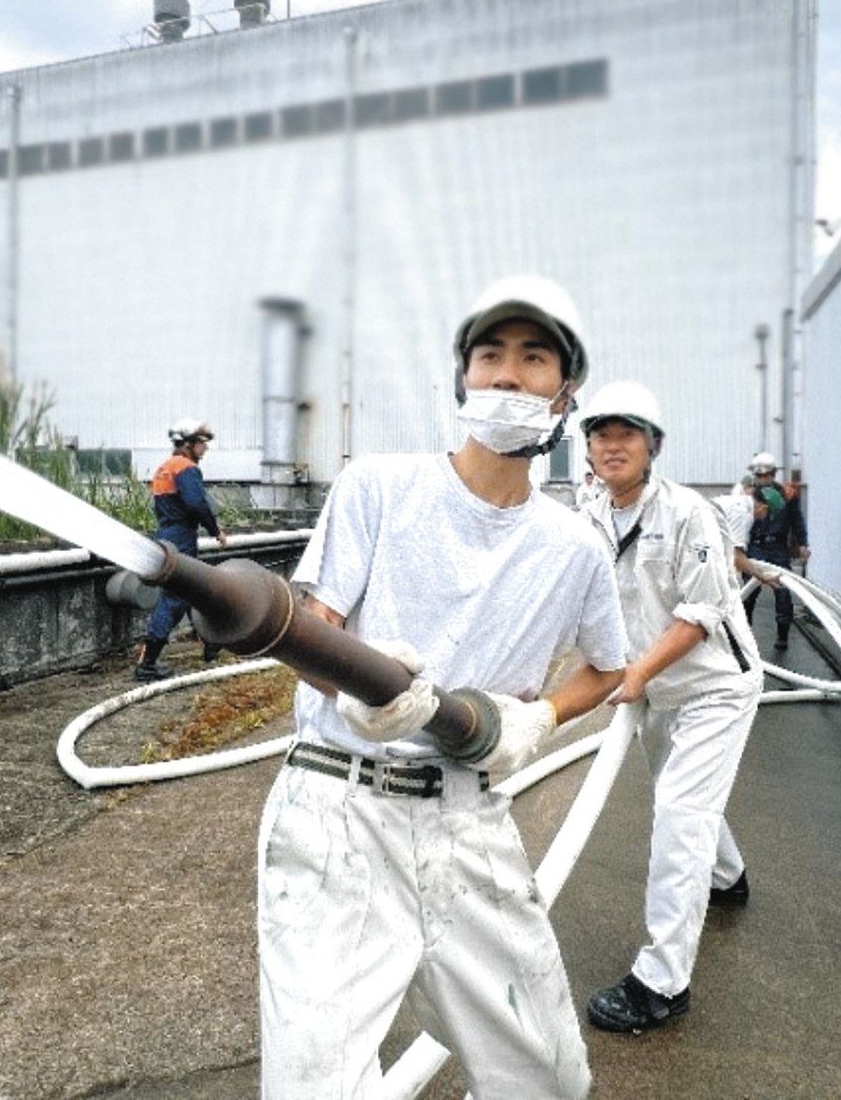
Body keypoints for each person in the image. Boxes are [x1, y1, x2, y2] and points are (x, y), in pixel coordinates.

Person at [258, 276, 629, 1099]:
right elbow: (309, 625)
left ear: (566, 393)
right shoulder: (379, 488)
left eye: (533, 358)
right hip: (338, 816)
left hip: (469, 824)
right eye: (488, 355)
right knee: (314, 1088)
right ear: (463, 378)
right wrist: (354, 685)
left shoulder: (574, 548)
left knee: (549, 1077)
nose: (506, 375)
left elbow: (607, 668)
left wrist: (538, 717)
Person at [578, 381, 762, 1035]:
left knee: (681, 814)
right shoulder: (591, 510)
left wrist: (636, 672)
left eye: (626, 433)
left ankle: (661, 983)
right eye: (600, 434)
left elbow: (703, 610)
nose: (611, 445)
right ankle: (730, 877)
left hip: (714, 689)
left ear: (652, 445)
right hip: (657, 693)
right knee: (688, 801)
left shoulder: (689, 513)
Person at [134, 417, 228, 681]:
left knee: (194, 591)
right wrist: (215, 530)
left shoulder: (164, 468)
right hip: (181, 540)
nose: (205, 449)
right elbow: (197, 504)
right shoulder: (186, 469)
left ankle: (210, 642)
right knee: (176, 597)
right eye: (202, 443)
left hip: (166, 536)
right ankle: (148, 663)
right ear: (188, 444)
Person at [744, 451, 810, 651]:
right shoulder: (747, 495)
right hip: (755, 546)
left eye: (766, 475)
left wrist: (802, 543)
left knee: (782, 591)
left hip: (777, 547)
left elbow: (797, 521)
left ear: (773, 473)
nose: (763, 479)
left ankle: (782, 637)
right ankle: (745, 639)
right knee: (748, 593)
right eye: (759, 475)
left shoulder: (787, 495)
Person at [712, 484, 785, 590]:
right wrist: (762, 576)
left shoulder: (738, 501)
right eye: (767, 515)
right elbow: (737, 558)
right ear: (763, 509)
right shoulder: (743, 513)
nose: (764, 519)